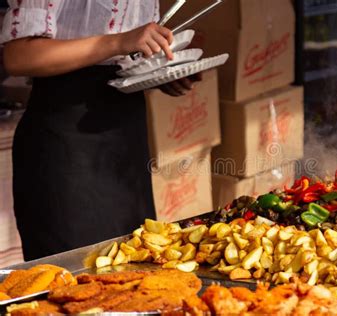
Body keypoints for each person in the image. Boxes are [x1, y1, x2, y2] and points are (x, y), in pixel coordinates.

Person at [1, 0, 200, 261]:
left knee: (134, 274)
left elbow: (126, 54)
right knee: (73, 281)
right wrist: (118, 42)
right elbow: (19, 57)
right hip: (65, 148)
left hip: (126, 146)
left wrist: (162, 74)